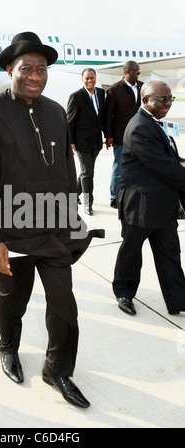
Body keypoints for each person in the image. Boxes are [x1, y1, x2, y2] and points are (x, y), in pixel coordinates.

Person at [0, 32, 104, 408]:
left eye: (41, 69)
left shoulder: (57, 111)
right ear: (10, 69)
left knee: (64, 305)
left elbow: (63, 172)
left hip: (55, 230)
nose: (35, 76)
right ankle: (8, 346)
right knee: (11, 301)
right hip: (11, 231)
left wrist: (73, 219)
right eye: (26, 68)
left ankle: (58, 369)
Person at [112, 80, 185, 316]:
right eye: (162, 99)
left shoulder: (153, 122)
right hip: (140, 206)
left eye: (170, 99)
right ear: (145, 101)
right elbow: (163, 165)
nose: (167, 104)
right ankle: (124, 292)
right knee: (131, 254)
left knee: (170, 255)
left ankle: (178, 301)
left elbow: (168, 156)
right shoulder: (140, 127)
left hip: (163, 206)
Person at [104, 61, 143, 208]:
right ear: (127, 71)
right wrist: (108, 135)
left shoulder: (142, 87)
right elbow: (108, 116)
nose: (138, 74)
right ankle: (115, 196)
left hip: (140, 136)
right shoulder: (114, 90)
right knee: (119, 167)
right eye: (136, 72)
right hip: (121, 136)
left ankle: (135, 194)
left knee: (140, 167)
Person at [67, 68, 105, 215]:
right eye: (87, 78)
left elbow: (101, 117)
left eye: (92, 78)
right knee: (87, 172)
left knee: (86, 172)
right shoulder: (76, 97)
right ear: (82, 79)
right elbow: (69, 121)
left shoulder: (101, 94)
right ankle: (88, 204)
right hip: (81, 142)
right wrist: (70, 142)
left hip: (95, 142)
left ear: (96, 78)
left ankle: (72, 196)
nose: (90, 81)